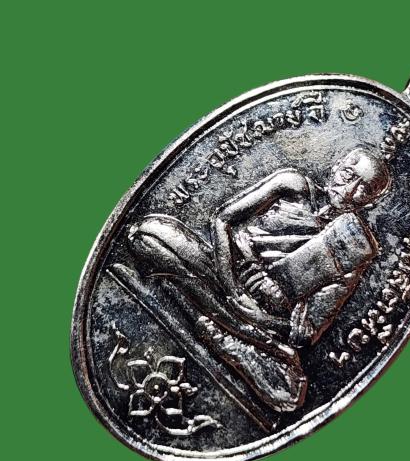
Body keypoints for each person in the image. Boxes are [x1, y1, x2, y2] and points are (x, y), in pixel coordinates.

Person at [127, 147, 391, 412]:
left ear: (370, 203)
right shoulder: (293, 185)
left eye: (364, 189)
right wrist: (233, 291)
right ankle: (221, 328)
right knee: (147, 234)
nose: (349, 190)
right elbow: (222, 220)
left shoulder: (355, 250)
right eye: (348, 175)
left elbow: (306, 331)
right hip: (223, 272)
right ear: (336, 167)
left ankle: (205, 313)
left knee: (289, 395)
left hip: (261, 316)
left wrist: (259, 317)